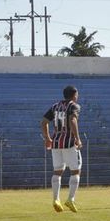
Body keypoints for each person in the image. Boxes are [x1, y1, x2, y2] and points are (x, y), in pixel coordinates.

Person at [41, 85, 83, 213]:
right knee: (76, 171)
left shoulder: (55, 106)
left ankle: (56, 199)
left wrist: (48, 138)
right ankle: (70, 199)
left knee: (57, 171)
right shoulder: (74, 106)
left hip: (56, 143)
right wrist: (77, 138)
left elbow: (43, 122)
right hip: (69, 142)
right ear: (74, 95)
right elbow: (73, 120)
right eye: (77, 94)